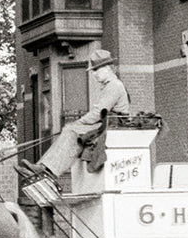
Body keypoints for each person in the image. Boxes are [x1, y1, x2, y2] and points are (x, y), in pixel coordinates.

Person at [19, 48, 129, 185]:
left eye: (96, 70)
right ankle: (44, 168)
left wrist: (77, 123)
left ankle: (47, 170)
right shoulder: (110, 86)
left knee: (71, 131)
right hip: (106, 124)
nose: (94, 74)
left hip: (110, 125)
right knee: (69, 130)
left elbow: (97, 114)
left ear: (106, 68)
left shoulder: (113, 86)